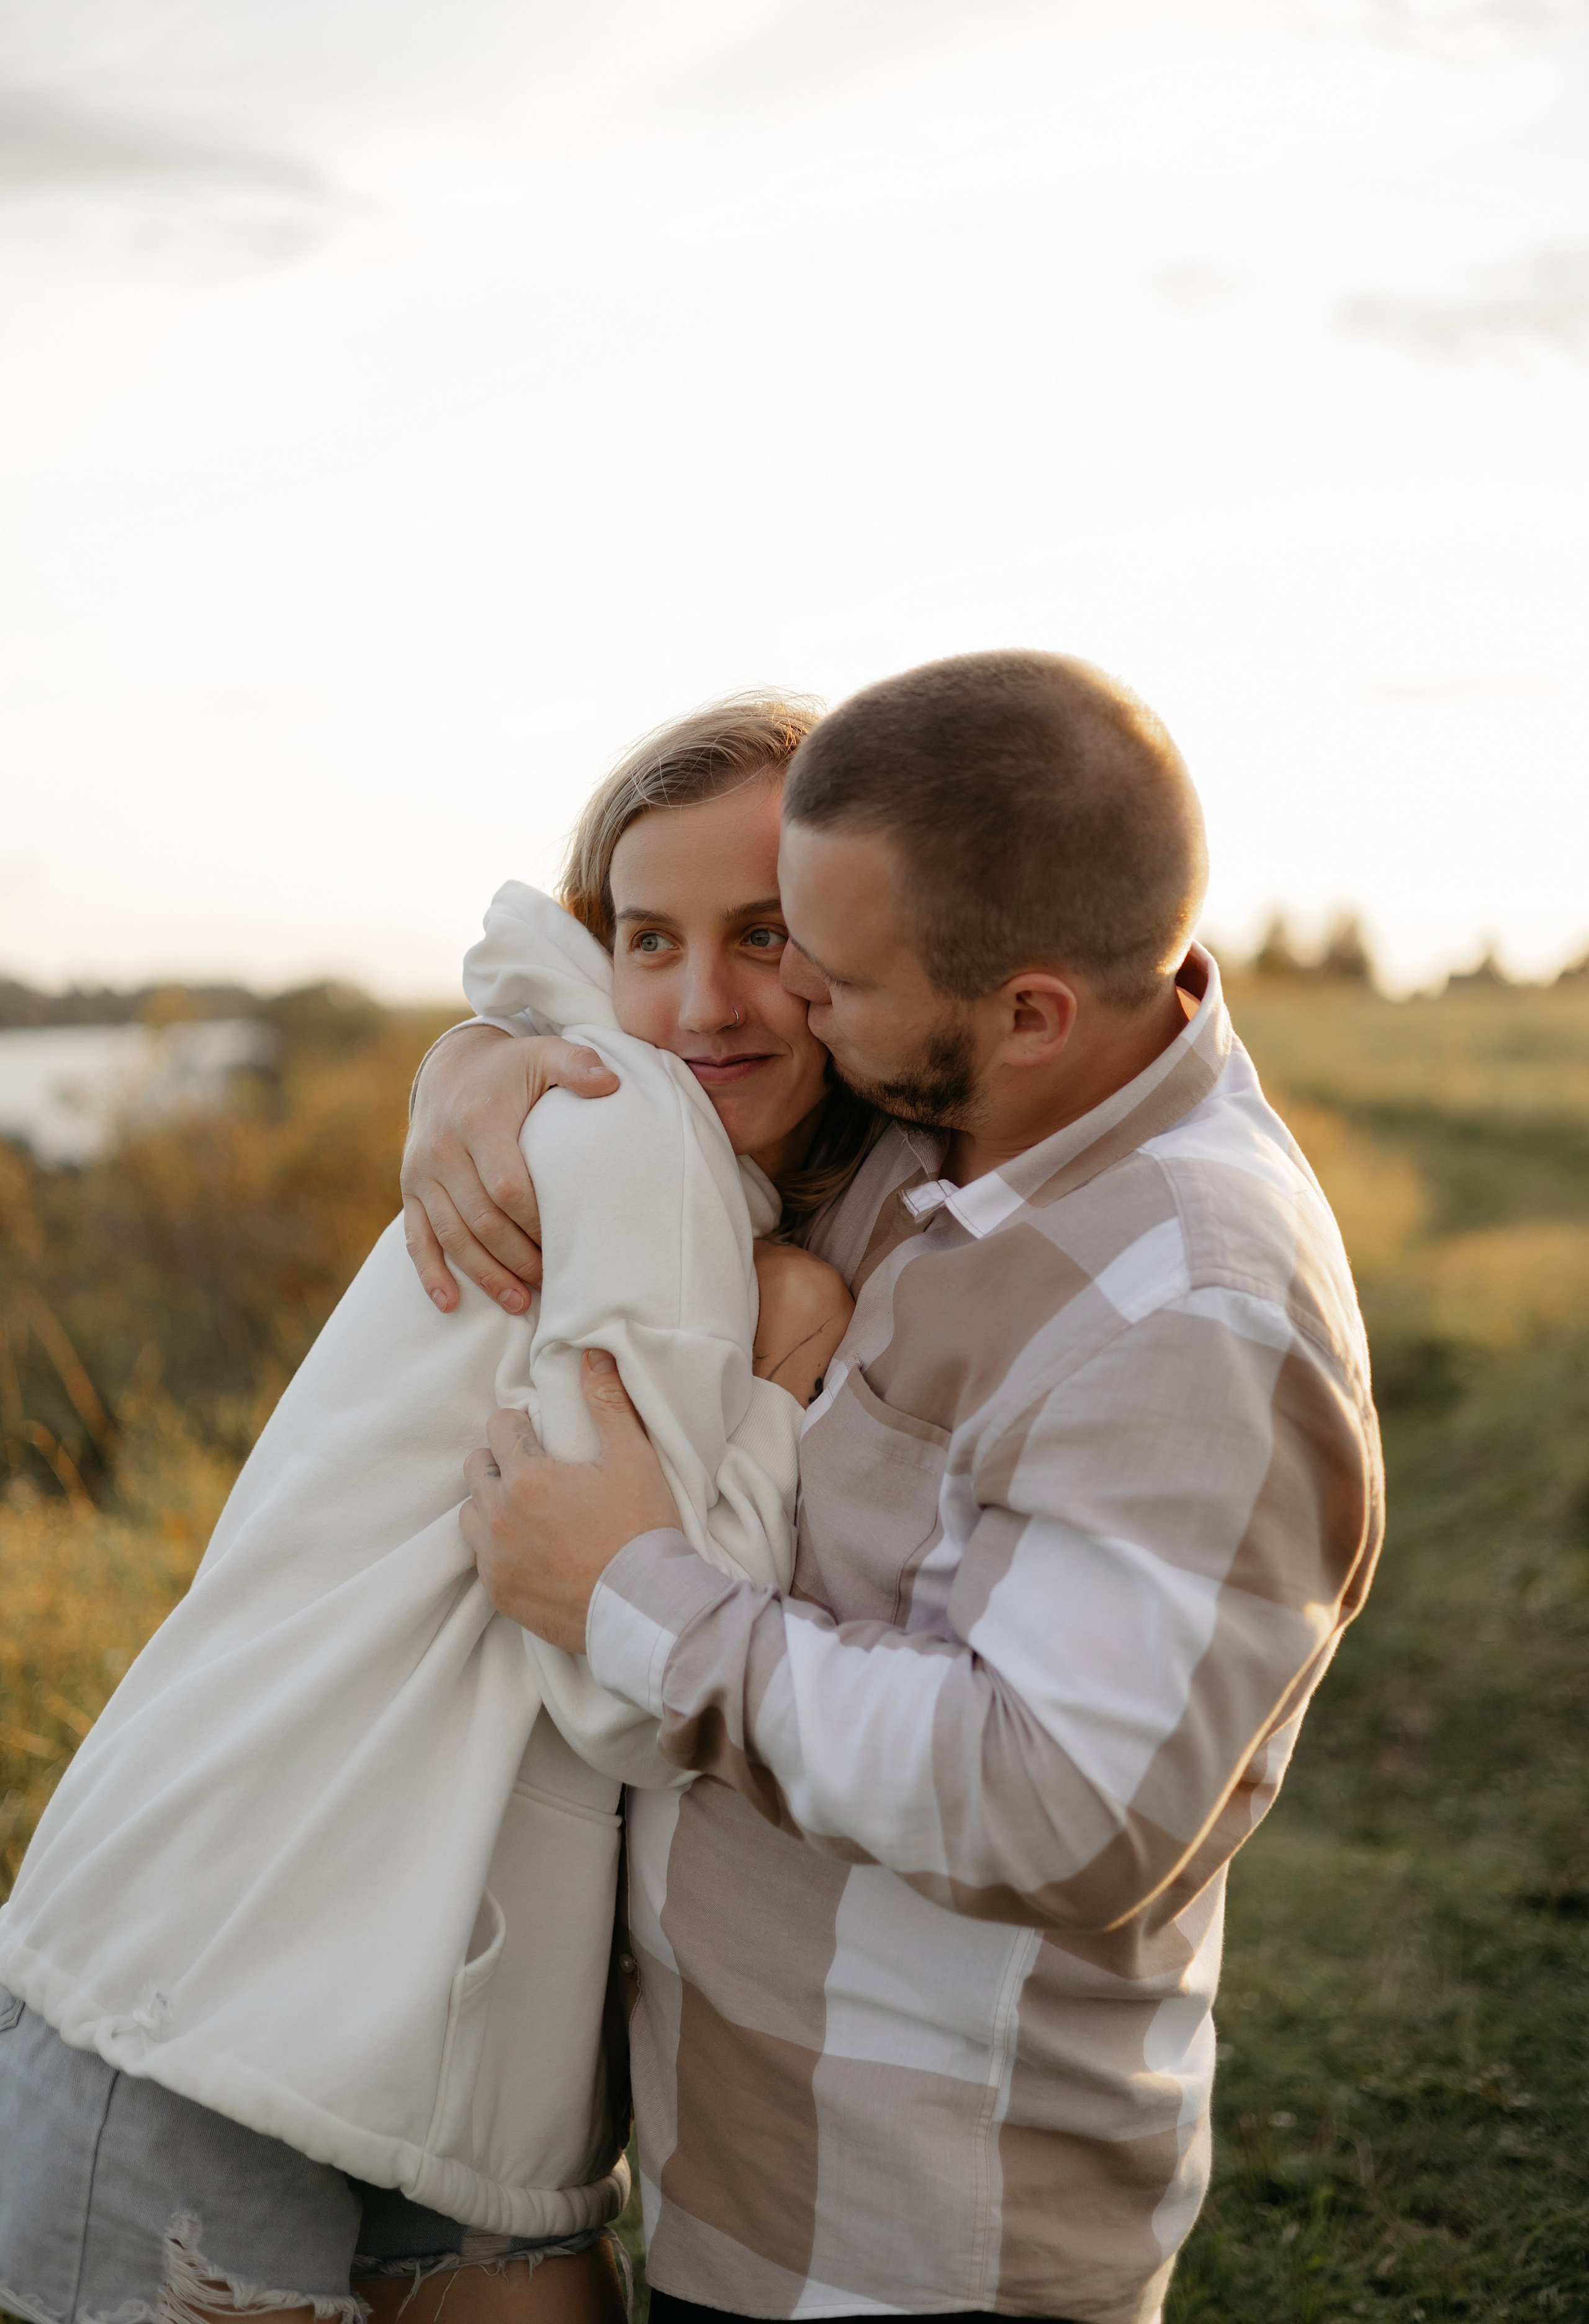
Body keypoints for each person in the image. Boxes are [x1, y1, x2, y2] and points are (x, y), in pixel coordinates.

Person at [405, 650, 1385, 2324]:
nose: (791, 1000)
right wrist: (483, 1064)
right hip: (733, 2166)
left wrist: (634, 1598)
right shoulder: (945, 1119)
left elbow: (1061, 1805)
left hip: (923, 2232)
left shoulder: (1195, 1310)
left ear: (1028, 1013)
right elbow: (653, 1025)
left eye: (828, 970)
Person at [0, 700, 868, 2324]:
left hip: (410, 2029)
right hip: (227, 1993)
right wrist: (787, 1367)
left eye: (765, 934)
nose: (700, 1001)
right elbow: (626, 1677)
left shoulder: (634, 1134)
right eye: (649, 938)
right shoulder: (641, 1143)